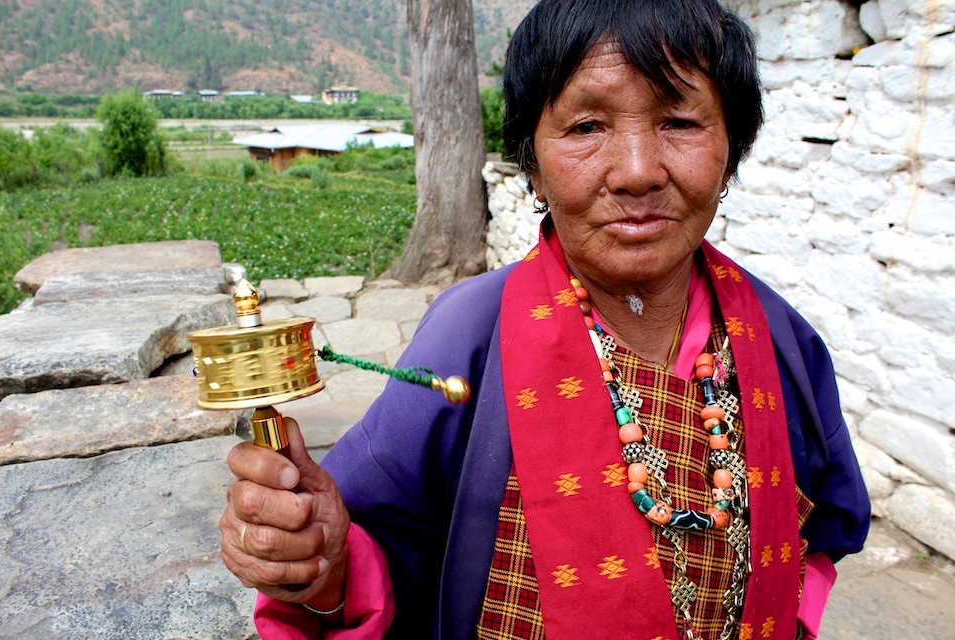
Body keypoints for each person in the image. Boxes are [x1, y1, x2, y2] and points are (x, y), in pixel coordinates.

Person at [218, 0, 871, 638]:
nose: (638, 171)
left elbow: (822, 533)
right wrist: (322, 564)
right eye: (587, 127)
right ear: (531, 163)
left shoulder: (780, 340)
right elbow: (375, 551)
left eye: (680, 120)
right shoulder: (468, 335)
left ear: (731, 148)